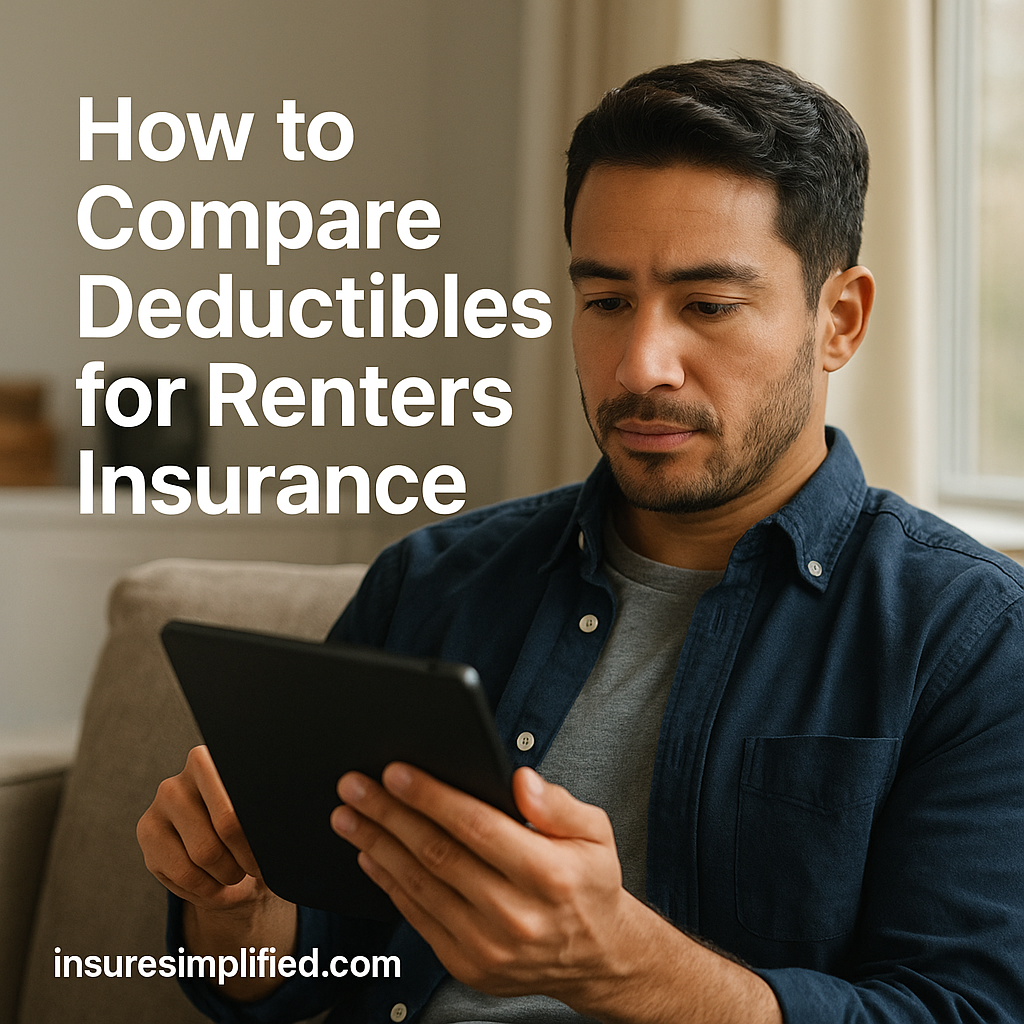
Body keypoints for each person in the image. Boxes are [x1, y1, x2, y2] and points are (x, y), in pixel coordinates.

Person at [137, 58, 1024, 1024]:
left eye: (708, 307)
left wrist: (623, 968)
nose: (640, 364)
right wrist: (237, 912)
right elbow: (314, 969)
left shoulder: (972, 638)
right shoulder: (432, 581)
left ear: (839, 320)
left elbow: (966, 1008)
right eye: (604, 301)